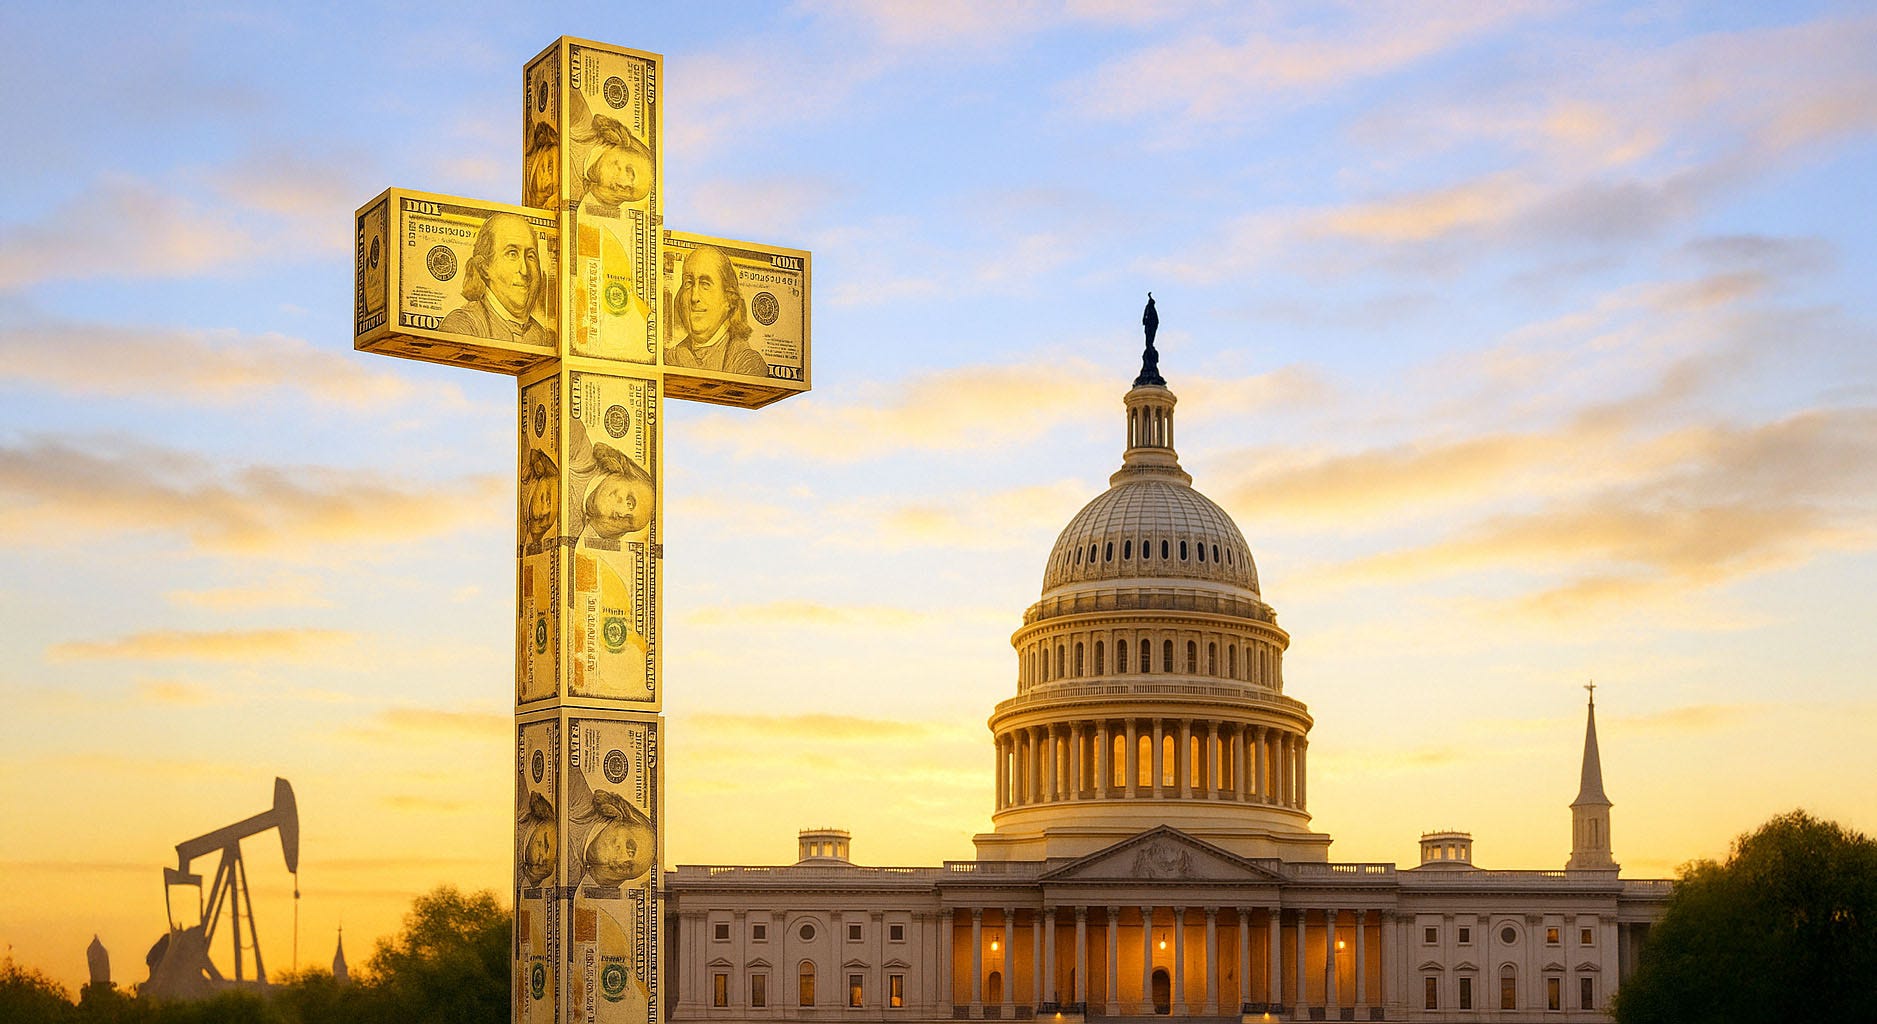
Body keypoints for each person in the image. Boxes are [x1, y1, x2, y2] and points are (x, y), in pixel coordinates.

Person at [440, 213, 550, 347]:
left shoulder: (544, 337)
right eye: (512, 254)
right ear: (484, 267)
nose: (525, 270)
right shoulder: (463, 326)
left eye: (531, 256)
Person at [664, 245, 767, 376]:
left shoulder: (747, 363)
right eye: (688, 283)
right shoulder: (670, 357)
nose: (694, 297)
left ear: (729, 298)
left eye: (705, 284)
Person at [566, 419, 654, 550]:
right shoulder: (578, 445)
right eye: (629, 502)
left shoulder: (571, 540)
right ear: (622, 472)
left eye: (629, 522)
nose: (622, 514)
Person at [576, 114, 653, 218]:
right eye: (629, 173)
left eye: (630, 191)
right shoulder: (580, 121)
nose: (623, 185)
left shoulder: (575, 200)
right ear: (624, 146)